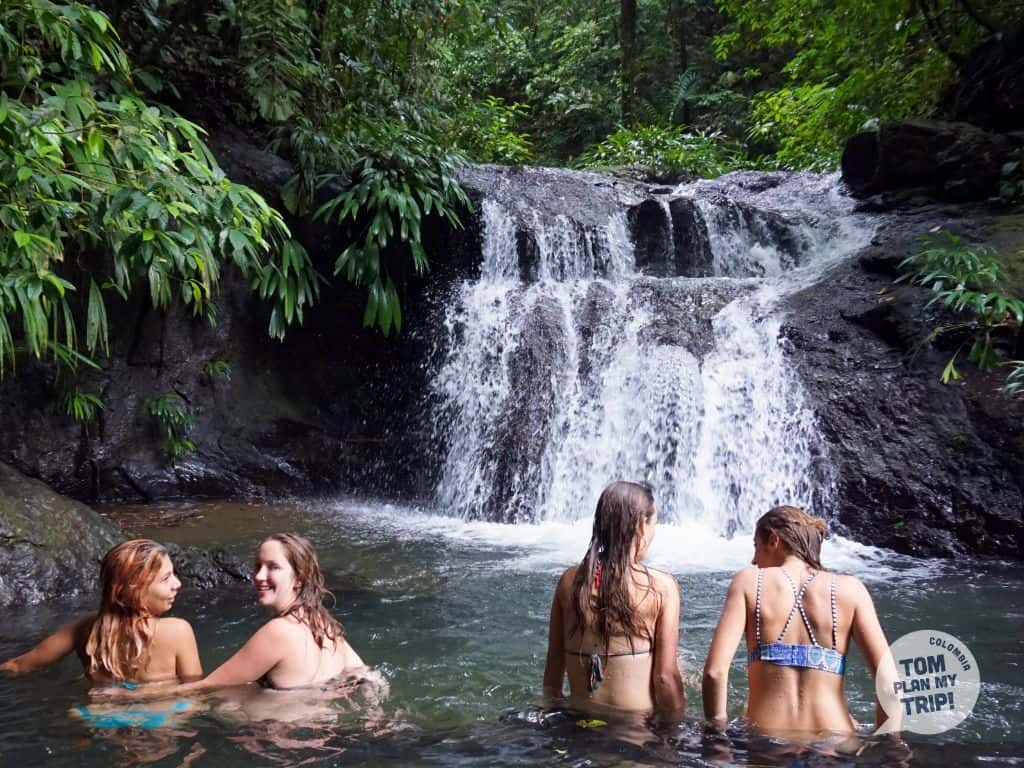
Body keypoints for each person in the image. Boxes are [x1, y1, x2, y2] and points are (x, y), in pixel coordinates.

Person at [702, 505, 895, 735]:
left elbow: (715, 673)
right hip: (835, 741)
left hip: (766, 740)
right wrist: (887, 743)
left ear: (773, 540)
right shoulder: (852, 589)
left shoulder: (749, 582)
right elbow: (889, 684)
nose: (754, 560)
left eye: (756, 547)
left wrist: (717, 735)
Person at [543, 481, 685, 717]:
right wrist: (678, 727)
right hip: (634, 728)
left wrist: (551, 717)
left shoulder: (569, 582)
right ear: (642, 525)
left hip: (578, 724)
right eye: (654, 524)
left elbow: (554, 666)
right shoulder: (661, 588)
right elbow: (665, 678)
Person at [175, 533, 367, 692]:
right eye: (258, 566)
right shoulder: (322, 622)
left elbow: (207, 688)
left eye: (273, 567)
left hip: (280, 727)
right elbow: (364, 673)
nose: (259, 576)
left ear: (299, 579)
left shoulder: (278, 632)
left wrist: (157, 696)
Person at [0, 539, 201, 686]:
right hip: (160, 720)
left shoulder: (83, 629)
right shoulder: (178, 631)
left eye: (173, 574)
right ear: (134, 590)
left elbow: (19, 665)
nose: (177, 584)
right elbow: (196, 692)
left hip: (101, 719)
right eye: (166, 579)